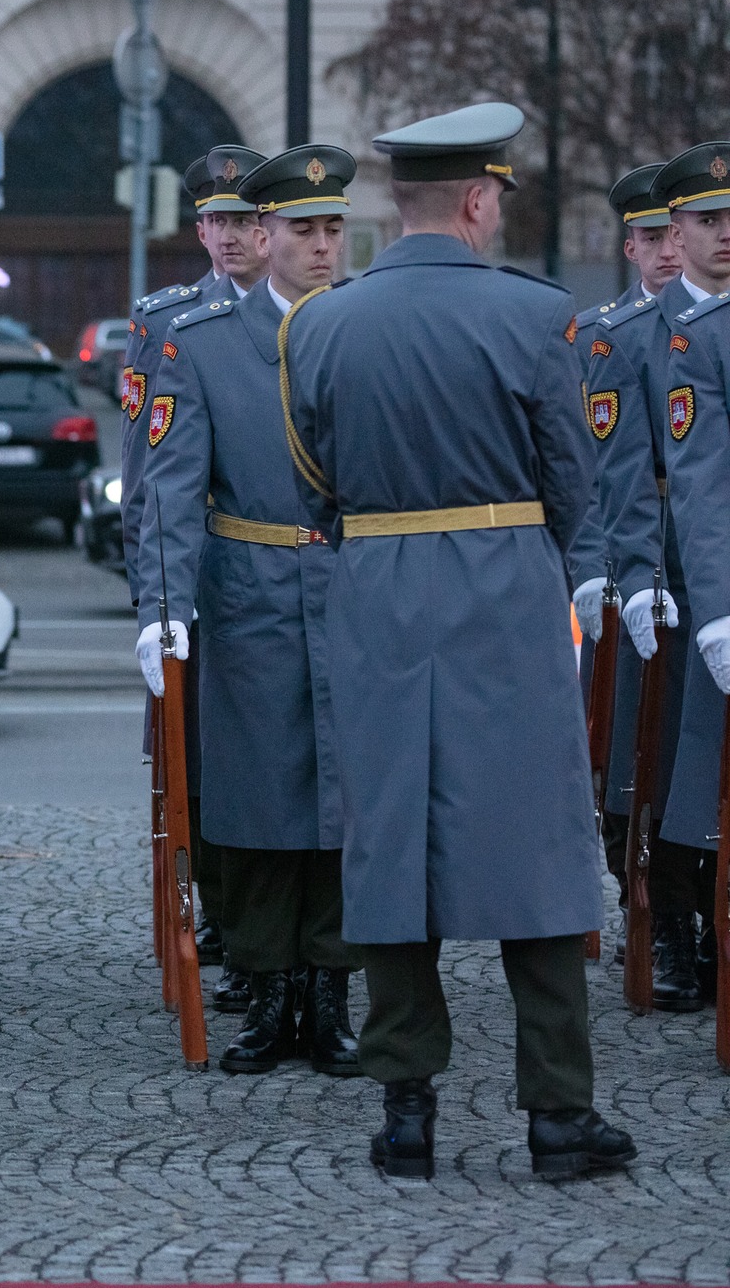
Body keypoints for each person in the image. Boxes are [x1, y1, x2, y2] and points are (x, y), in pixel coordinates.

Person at [284, 102, 633, 1179]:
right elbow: (571, 477)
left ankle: (403, 1113)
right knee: (532, 848)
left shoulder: (319, 323)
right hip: (504, 586)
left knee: (388, 841)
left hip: (377, 589)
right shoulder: (536, 317)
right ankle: (557, 1115)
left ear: (400, 202)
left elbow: (313, 475)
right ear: (479, 200)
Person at [135, 145, 361, 1078]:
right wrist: (163, 605)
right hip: (249, 589)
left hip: (351, 589)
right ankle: (269, 996)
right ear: (261, 235)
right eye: (301, 230)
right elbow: (171, 487)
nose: (319, 247)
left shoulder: (365, 329)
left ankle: (332, 995)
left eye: (332, 229)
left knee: (346, 804)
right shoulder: (204, 340)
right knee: (262, 801)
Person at [120, 145, 269, 1015]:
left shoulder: (314, 310)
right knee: (203, 755)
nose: (229, 237)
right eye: (215, 221)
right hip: (198, 561)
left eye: (245, 219)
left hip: (281, 559)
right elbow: (145, 463)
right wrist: (154, 587)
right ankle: (219, 907)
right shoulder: (166, 320)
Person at [578, 157, 709, 1007]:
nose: (668, 252)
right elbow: (598, 473)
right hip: (648, 562)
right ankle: (660, 923)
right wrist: (607, 576)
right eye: (654, 237)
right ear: (632, 244)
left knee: (702, 759)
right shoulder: (614, 335)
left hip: (712, 558)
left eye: (679, 233)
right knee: (639, 759)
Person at [640, 143, 730, 1009]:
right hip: (676, 577)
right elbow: (644, 475)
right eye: (709, 221)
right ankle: (677, 924)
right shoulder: (645, 332)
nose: (725, 236)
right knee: (671, 768)